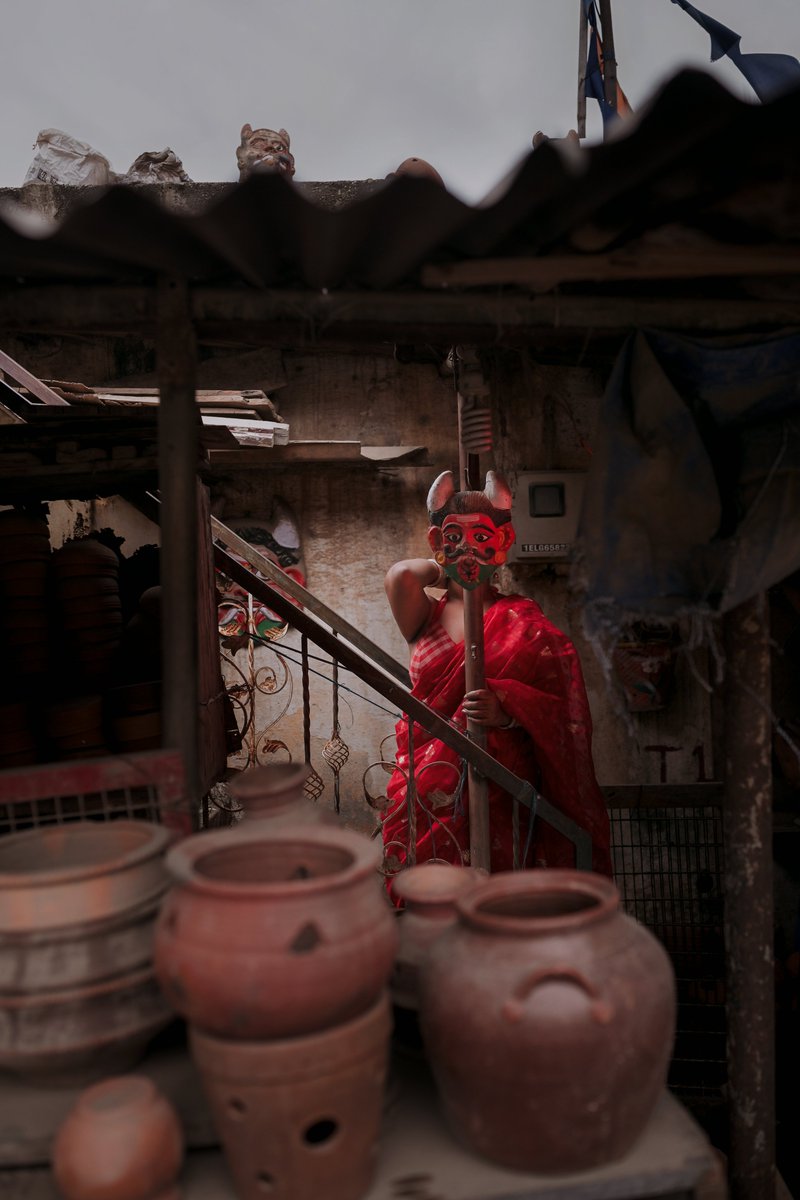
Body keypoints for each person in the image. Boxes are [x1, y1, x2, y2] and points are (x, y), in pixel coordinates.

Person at [382, 469, 612, 878]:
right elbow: (401, 574)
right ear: (437, 543)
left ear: (503, 544)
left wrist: (505, 709)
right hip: (431, 779)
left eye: (482, 538)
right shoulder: (425, 614)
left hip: (502, 783)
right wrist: (447, 570)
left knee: (500, 891)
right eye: (454, 538)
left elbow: (562, 708)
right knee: (430, 895)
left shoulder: (523, 620)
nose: (468, 548)